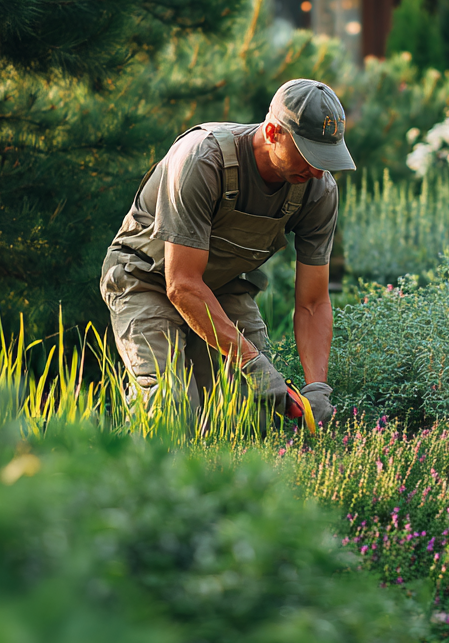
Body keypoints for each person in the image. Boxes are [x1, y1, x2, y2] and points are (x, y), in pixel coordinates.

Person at [99, 79, 354, 426]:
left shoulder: (318, 191)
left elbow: (312, 303)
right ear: (273, 132)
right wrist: (251, 361)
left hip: (221, 285)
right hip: (147, 278)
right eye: (309, 155)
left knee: (253, 412)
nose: (317, 170)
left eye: (327, 158)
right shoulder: (203, 159)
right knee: (169, 408)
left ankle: (221, 480)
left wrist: (317, 387)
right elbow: (182, 284)